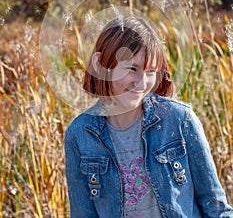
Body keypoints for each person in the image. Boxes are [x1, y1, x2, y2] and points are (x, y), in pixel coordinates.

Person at [65, 16, 233, 217]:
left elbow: (216, 208)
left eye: (151, 71)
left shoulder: (180, 121)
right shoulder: (80, 135)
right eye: (132, 69)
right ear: (101, 65)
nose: (142, 83)